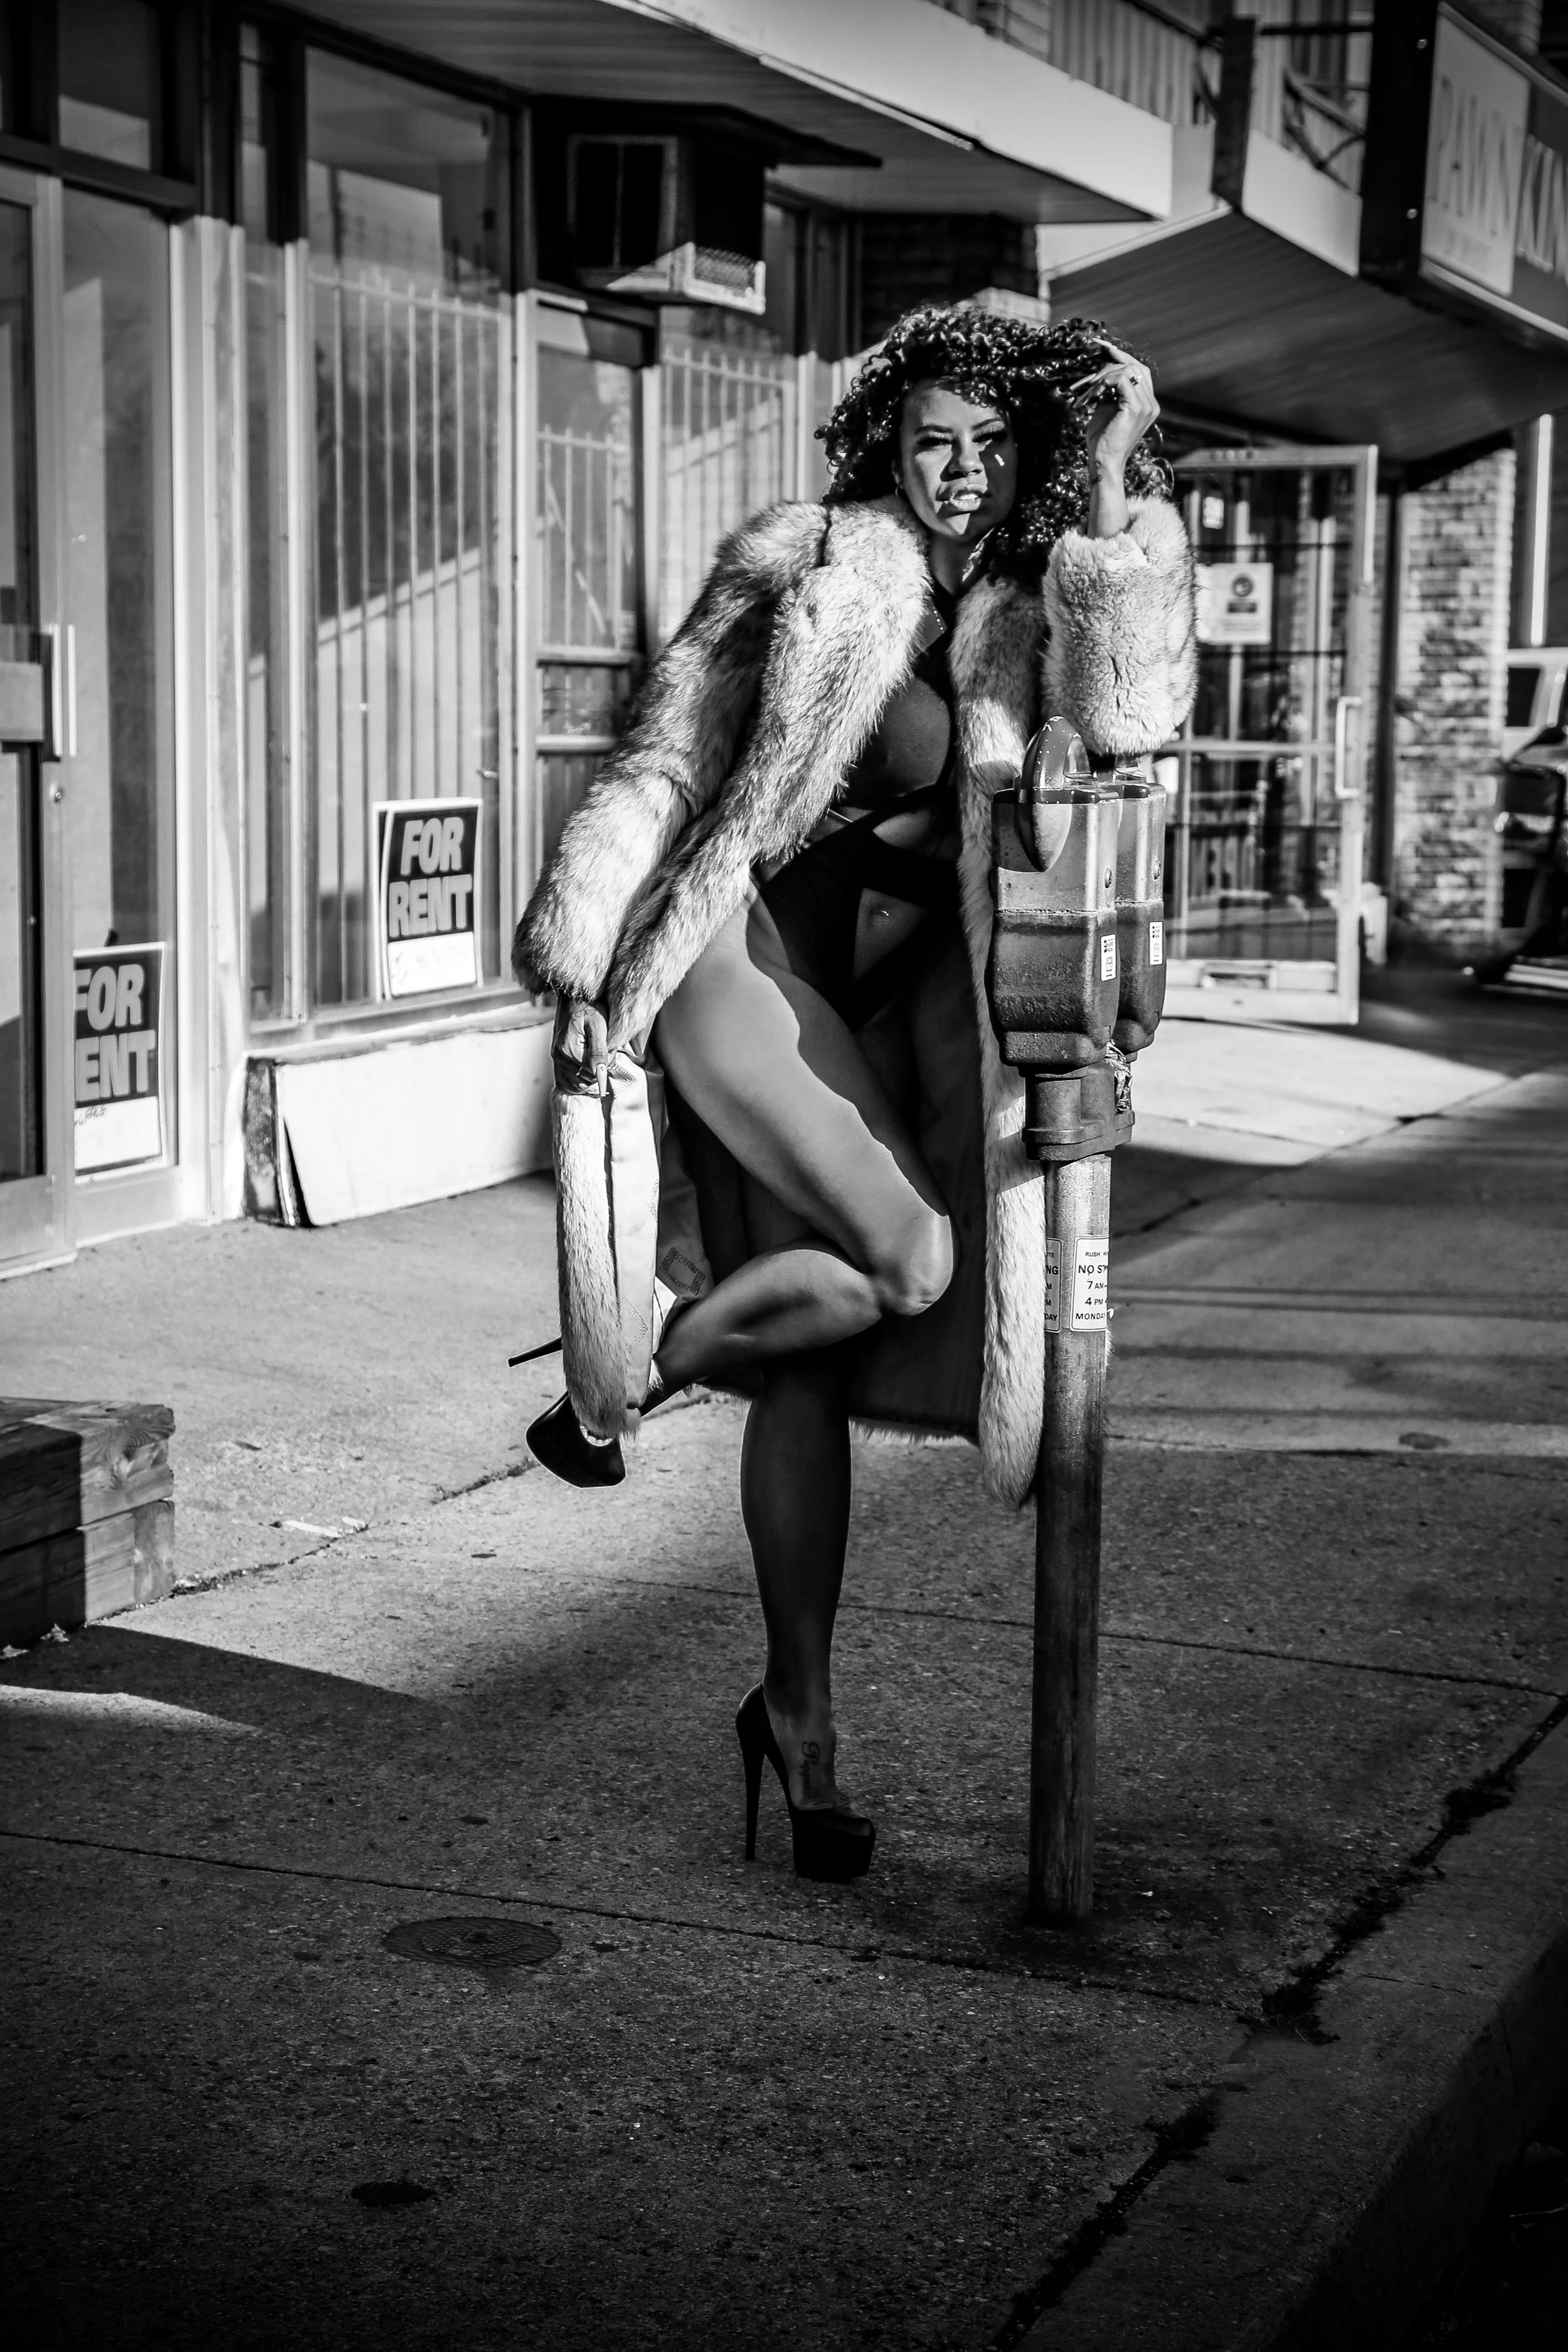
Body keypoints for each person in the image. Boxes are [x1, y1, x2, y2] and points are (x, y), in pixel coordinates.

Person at [512, 305, 1195, 1882]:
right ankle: (618, 1378)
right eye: (924, 444)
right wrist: (582, 947)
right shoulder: (806, 564)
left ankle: (798, 1732)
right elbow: (669, 764)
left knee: (822, 1353)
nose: (954, 474)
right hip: (739, 961)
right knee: (907, 1264)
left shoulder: (1045, 591)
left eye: (986, 446)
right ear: (883, 447)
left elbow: (1126, 731)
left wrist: (1106, 489)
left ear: (1022, 454)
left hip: (899, 1004)